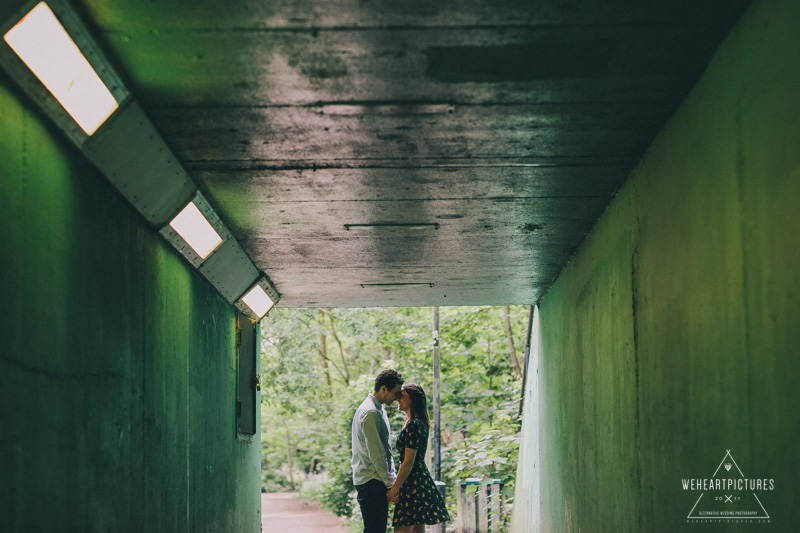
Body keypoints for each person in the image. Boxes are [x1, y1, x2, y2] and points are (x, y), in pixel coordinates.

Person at [388, 384, 450, 533]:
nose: (398, 398)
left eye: (402, 396)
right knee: (417, 528)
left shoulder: (414, 424)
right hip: (416, 481)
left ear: (413, 400)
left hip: (413, 484)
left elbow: (409, 461)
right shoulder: (412, 422)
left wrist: (395, 488)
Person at [352, 369, 405, 533]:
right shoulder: (371, 412)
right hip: (371, 481)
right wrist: (391, 485)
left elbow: (385, 451)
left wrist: (392, 481)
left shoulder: (378, 409)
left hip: (374, 480)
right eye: (395, 393)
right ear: (383, 389)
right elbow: (377, 455)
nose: (397, 398)